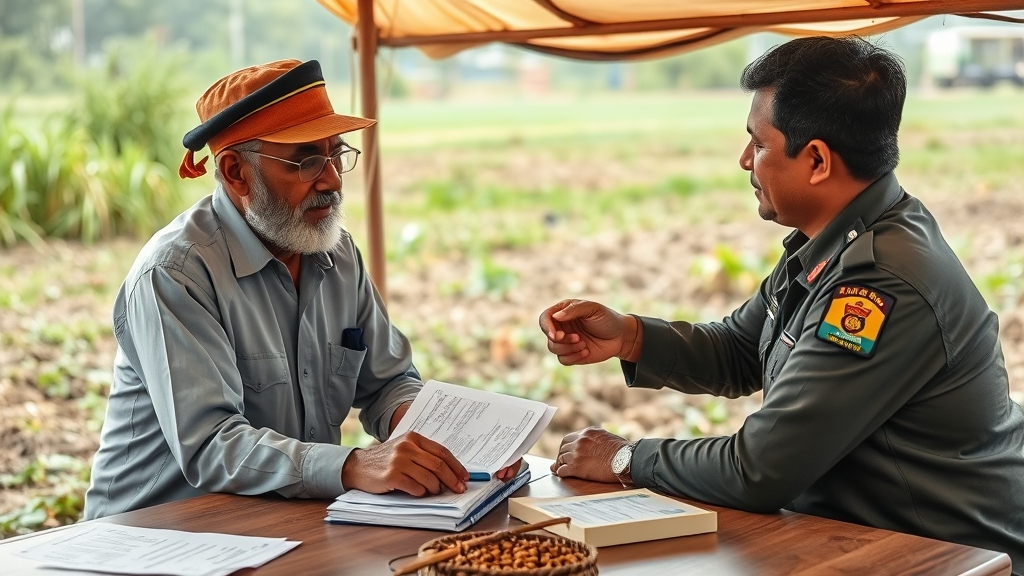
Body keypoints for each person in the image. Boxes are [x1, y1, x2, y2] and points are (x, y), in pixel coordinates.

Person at [539, 36, 1024, 571]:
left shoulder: (881, 283)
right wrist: (630, 336)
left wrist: (626, 458)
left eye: (759, 143)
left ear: (816, 160)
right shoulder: (843, 238)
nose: (744, 159)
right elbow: (743, 349)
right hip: (851, 535)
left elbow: (761, 468)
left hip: (938, 554)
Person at [85, 59, 517, 519]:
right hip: (155, 538)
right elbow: (212, 444)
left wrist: (439, 438)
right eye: (306, 160)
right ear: (235, 172)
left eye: (336, 153)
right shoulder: (176, 274)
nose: (331, 179)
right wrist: (353, 465)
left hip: (283, 522)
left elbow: (388, 382)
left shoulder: (336, 253)